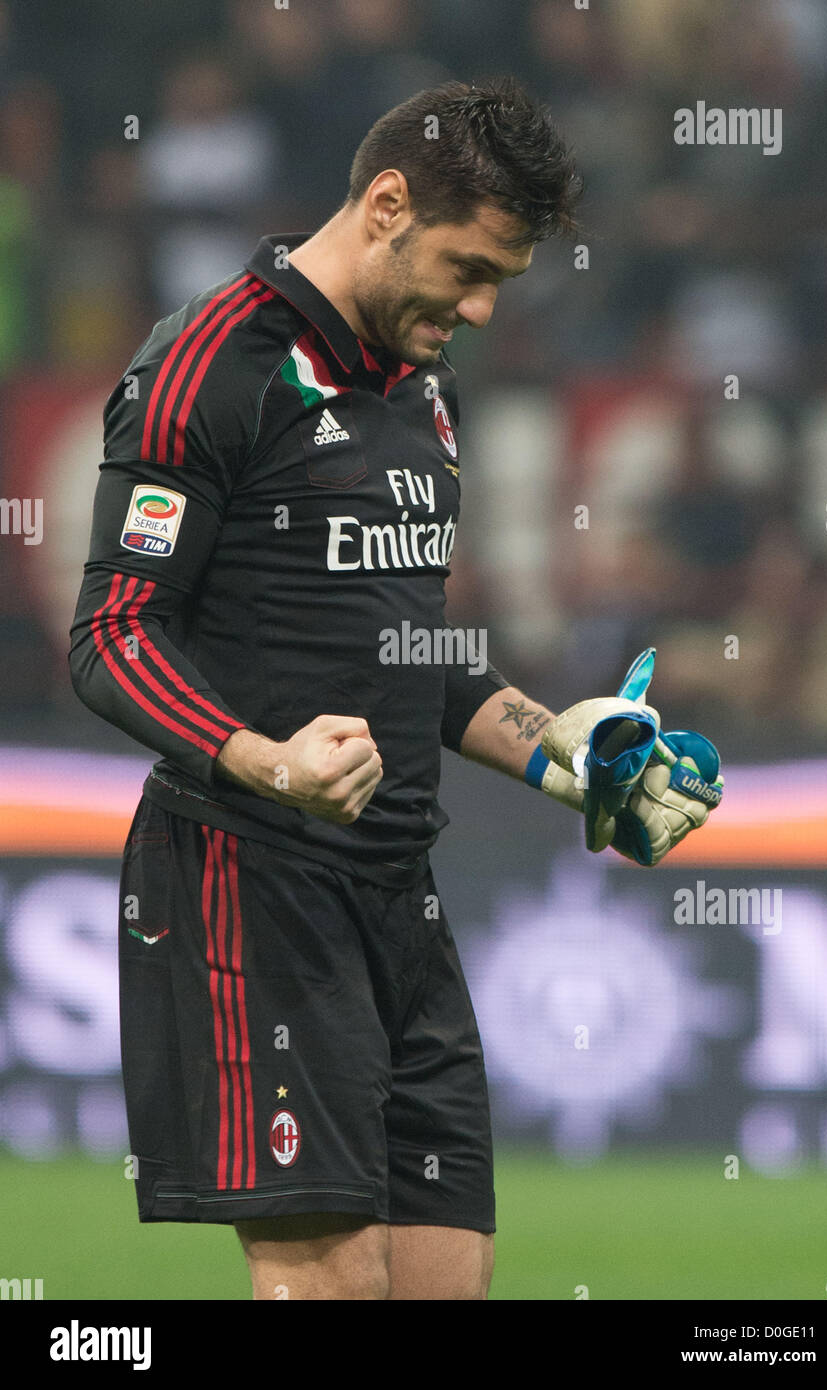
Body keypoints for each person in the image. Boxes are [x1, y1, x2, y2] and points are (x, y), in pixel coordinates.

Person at [69, 77, 711, 1300]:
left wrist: (563, 748)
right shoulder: (211, 364)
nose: (476, 307)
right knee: (335, 1289)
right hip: (247, 882)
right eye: (467, 268)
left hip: (396, 899)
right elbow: (111, 632)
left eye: (501, 285)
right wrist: (267, 759)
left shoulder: (423, 391)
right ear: (384, 203)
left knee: (442, 1288)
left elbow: (407, 648)